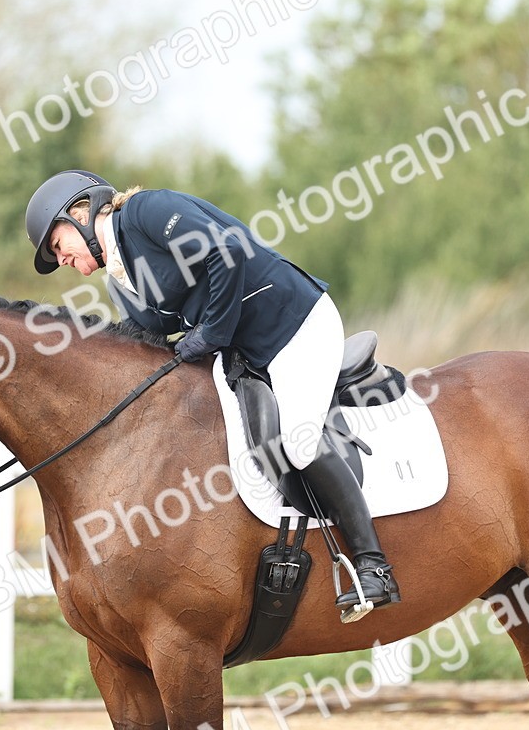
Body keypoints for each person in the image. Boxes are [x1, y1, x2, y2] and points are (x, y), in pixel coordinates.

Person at [24, 170, 400, 613]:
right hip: (245, 353)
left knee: (296, 444)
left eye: (56, 244)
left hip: (293, 324)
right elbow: (147, 337)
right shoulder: (120, 283)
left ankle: (375, 566)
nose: (60, 258)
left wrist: (211, 333)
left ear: (80, 213)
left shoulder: (147, 213)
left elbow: (226, 254)